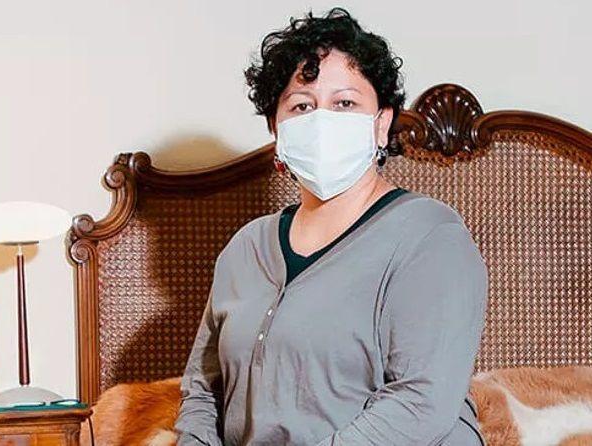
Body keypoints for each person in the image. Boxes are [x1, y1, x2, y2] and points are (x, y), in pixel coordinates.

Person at [174, 7, 488, 446]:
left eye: (345, 103)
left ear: (381, 124)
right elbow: (203, 391)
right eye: (302, 106)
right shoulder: (246, 248)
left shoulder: (430, 237)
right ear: (276, 129)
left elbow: (421, 402)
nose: (322, 120)